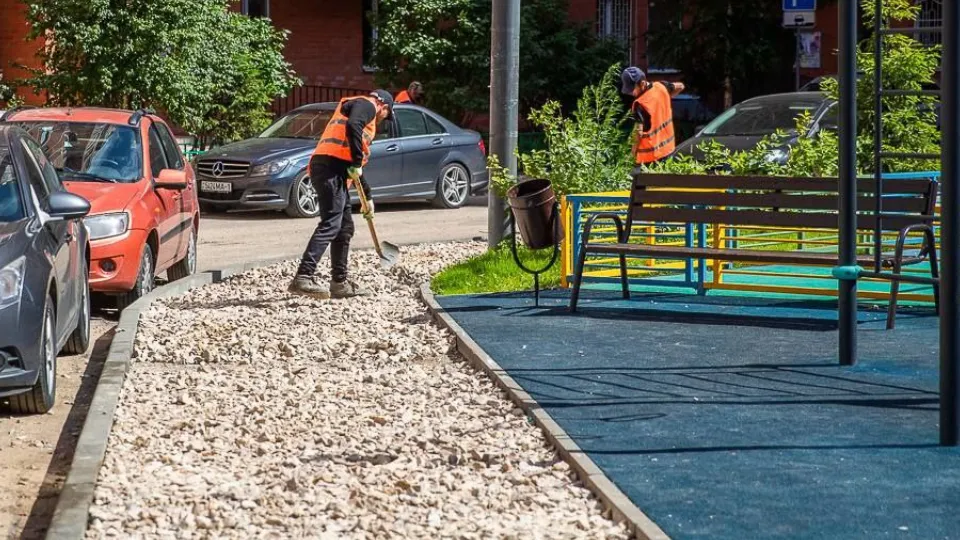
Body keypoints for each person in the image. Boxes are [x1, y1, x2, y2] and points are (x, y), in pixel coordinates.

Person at [288, 89, 394, 300]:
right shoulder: (368, 106)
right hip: (329, 168)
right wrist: (355, 162)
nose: (383, 119)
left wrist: (368, 197)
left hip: (332, 168)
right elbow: (353, 129)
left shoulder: (360, 111)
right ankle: (303, 276)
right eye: (387, 114)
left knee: (344, 228)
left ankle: (339, 283)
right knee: (332, 223)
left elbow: (355, 167)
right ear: (384, 106)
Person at [620, 67, 684, 165]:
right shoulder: (661, 86)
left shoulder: (640, 104)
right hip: (668, 150)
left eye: (632, 89)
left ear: (642, 83)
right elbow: (680, 86)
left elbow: (638, 132)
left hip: (650, 158)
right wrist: (667, 97)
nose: (631, 93)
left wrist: (631, 155)